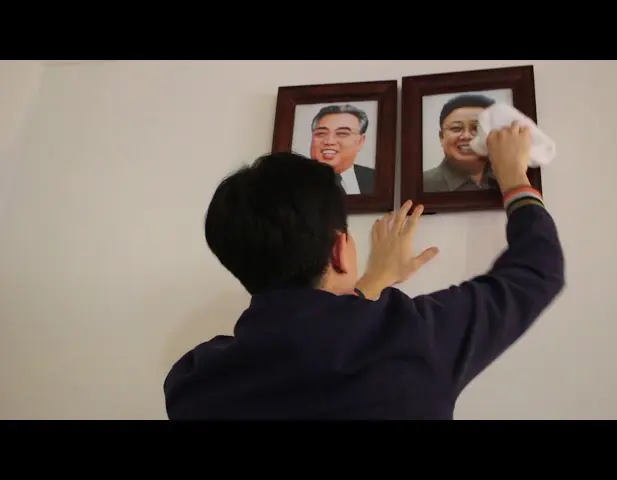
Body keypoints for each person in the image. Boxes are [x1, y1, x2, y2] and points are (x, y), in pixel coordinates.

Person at [163, 122, 565, 419]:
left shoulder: (194, 381)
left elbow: (317, 338)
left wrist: (373, 281)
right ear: (339, 250)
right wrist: (514, 178)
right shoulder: (413, 338)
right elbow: (537, 270)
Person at [423, 93, 499, 192]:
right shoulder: (423, 184)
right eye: (456, 128)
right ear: (441, 137)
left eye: (477, 128)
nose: (466, 136)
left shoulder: (509, 180)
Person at [309, 104, 375, 195]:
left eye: (342, 134)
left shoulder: (375, 178)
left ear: (360, 141)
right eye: (321, 133)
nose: (329, 141)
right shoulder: (292, 179)